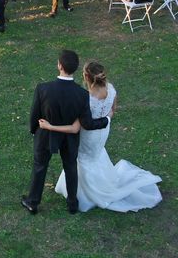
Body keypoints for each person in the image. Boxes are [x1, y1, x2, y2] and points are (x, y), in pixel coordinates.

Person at [38, 61, 162, 213]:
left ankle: (85, 193)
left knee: (83, 159)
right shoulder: (111, 89)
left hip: (88, 135)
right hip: (103, 132)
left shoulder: (85, 98)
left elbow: (76, 127)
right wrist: (107, 119)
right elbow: (113, 110)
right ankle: (102, 183)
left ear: (85, 76)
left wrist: (50, 126)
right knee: (96, 155)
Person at [22, 50, 111, 215]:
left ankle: (32, 202)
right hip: (69, 138)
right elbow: (87, 123)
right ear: (75, 69)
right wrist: (106, 120)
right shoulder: (82, 95)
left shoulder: (43, 89)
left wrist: (34, 130)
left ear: (59, 66)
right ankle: (72, 204)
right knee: (70, 167)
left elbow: (34, 114)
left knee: (40, 166)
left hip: (45, 136)